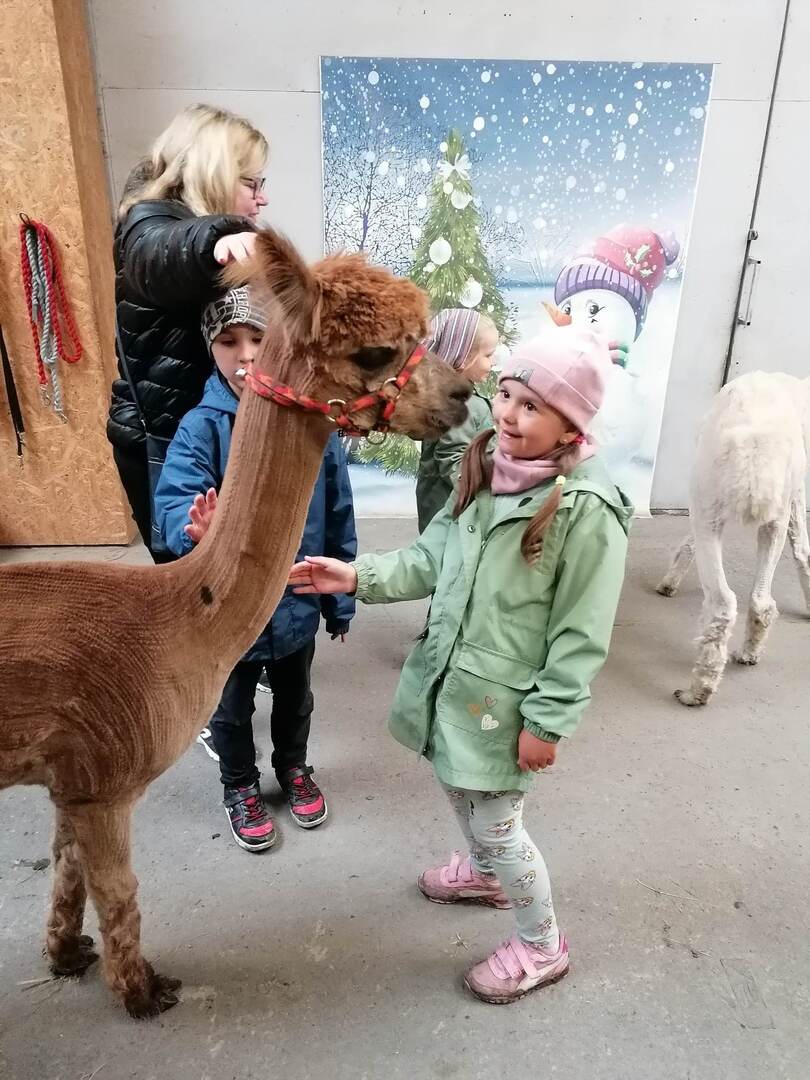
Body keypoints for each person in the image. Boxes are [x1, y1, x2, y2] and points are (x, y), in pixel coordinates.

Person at [290, 325, 632, 1002]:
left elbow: (582, 632)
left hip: (506, 705)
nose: (507, 414)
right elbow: (430, 556)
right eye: (505, 394)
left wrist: (548, 721)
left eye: (531, 406)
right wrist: (357, 576)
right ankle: (483, 875)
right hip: (452, 683)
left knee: (501, 830)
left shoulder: (586, 510)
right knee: (456, 784)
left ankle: (543, 946)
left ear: (572, 425)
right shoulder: (483, 466)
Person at [153, 286, 357, 851]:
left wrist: (339, 600)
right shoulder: (200, 428)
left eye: (258, 339)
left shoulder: (312, 423)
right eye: (228, 341)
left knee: (296, 698)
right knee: (229, 707)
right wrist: (191, 530)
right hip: (225, 610)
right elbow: (174, 500)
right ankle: (240, 783)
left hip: (295, 600)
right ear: (210, 348)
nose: (245, 354)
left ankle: (293, 767)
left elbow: (338, 511)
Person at [107, 104, 269, 562]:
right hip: (162, 439)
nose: (262, 199)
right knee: (187, 565)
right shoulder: (147, 227)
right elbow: (162, 254)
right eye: (251, 184)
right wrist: (215, 239)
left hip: (212, 423)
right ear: (214, 173)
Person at [415, 309, 499, 532]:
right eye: (488, 355)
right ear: (463, 357)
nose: (493, 362)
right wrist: (490, 489)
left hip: (449, 519)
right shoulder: (459, 404)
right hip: (455, 522)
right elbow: (453, 459)